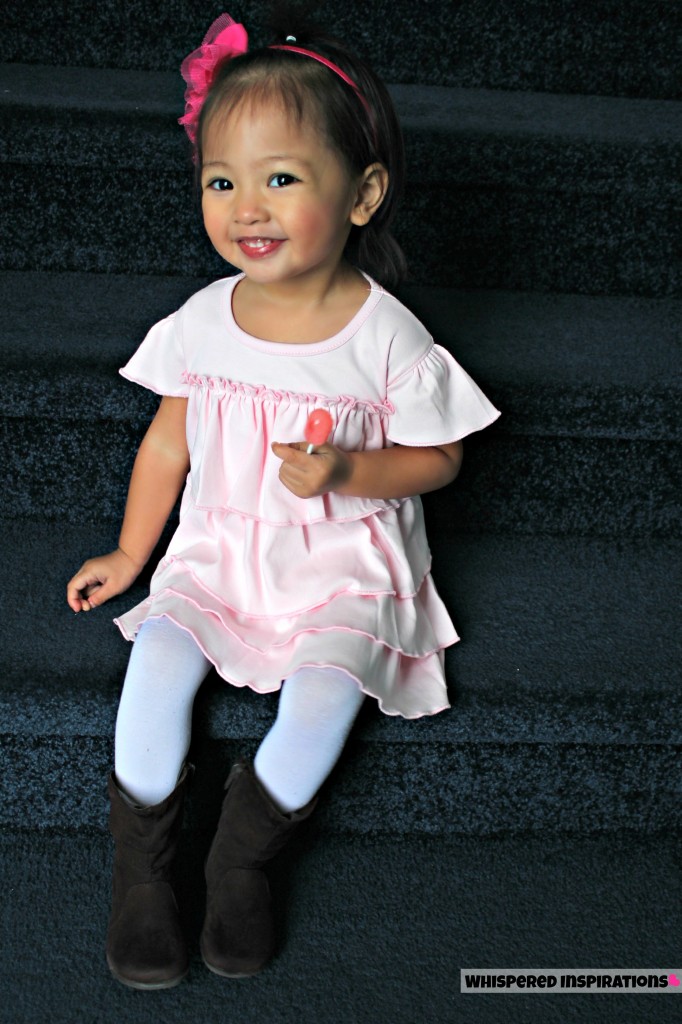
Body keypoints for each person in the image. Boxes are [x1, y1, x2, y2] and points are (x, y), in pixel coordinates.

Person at [66, 9, 500, 990]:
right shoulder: (202, 321)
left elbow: (439, 461)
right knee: (158, 667)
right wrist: (134, 556)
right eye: (222, 180)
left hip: (341, 561)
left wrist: (352, 471)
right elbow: (168, 439)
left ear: (362, 194)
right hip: (219, 551)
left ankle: (242, 856)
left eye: (282, 178)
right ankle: (142, 865)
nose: (245, 208)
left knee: (321, 702)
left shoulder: (383, 335)